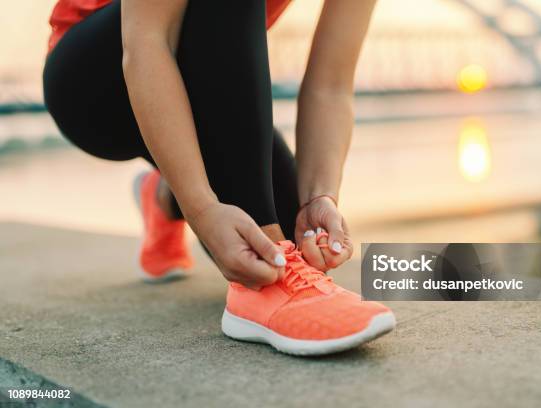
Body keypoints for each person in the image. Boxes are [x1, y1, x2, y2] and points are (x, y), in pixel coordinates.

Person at [43, 0, 395, 355]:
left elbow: (330, 86)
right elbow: (147, 42)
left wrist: (319, 197)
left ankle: (164, 197)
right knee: (268, 252)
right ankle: (257, 294)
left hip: (198, 85)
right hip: (96, 84)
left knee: (295, 238)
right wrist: (200, 207)